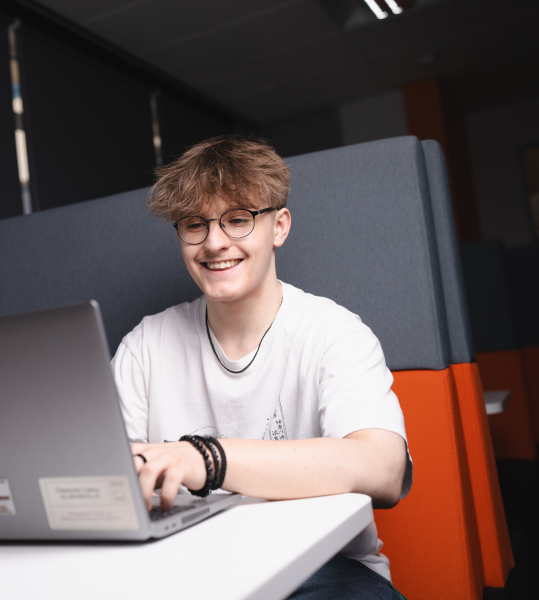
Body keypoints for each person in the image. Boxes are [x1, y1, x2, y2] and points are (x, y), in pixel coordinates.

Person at [111, 136, 412, 599]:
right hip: (186, 565)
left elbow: (384, 469)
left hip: (318, 567)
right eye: (195, 224)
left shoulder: (334, 332)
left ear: (279, 226)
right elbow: (107, 482)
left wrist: (204, 459)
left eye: (238, 220)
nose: (214, 243)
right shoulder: (145, 345)